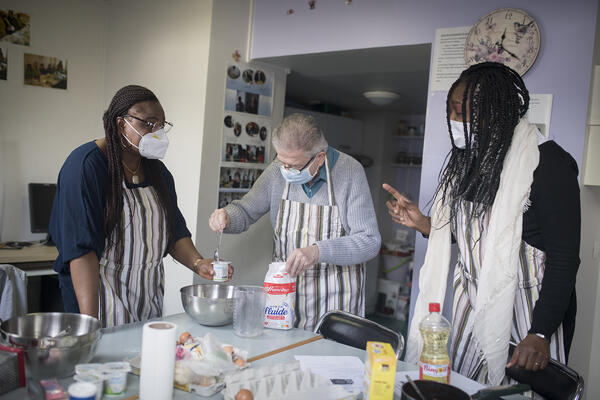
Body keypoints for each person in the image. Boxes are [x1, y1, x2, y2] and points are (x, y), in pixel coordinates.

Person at [384, 62, 580, 385]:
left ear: (496, 111)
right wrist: (426, 225)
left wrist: (541, 331)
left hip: (528, 318)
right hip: (471, 311)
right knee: (463, 388)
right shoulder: (472, 161)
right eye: (452, 112)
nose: (455, 122)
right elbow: (474, 237)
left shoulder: (548, 165)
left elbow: (564, 258)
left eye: (462, 113)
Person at [50, 85, 232, 328]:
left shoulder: (158, 172)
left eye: (161, 125)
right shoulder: (86, 167)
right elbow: (81, 251)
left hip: (146, 297)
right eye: (148, 123)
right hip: (97, 298)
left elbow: (174, 231)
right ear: (120, 124)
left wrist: (199, 263)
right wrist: (89, 325)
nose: (157, 132)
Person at [209, 113, 381, 330]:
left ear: (319, 157)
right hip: (283, 298)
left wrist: (317, 251)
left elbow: (369, 241)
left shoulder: (350, 172)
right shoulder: (277, 171)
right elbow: (245, 210)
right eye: (282, 163)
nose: (286, 171)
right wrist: (227, 215)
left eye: (294, 166)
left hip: (336, 304)